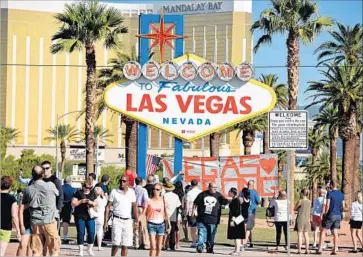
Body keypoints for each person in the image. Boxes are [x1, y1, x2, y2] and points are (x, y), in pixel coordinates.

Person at [22, 165, 61, 256]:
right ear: (43, 174)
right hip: (49, 220)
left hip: (35, 221)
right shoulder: (51, 185)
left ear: (32, 175)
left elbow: (25, 203)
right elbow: (57, 193)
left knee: (36, 250)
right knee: (54, 249)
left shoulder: (27, 190)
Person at [104, 175, 138, 256]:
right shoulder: (114, 192)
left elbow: (134, 206)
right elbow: (108, 206)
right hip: (117, 220)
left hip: (128, 221)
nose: (122, 183)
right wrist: (105, 222)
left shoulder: (131, 192)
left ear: (128, 182)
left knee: (125, 245)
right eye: (120, 181)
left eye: (124, 181)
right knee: (116, 243)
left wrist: (136, 220)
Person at [193, 182, 228, 254]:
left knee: (211, 234)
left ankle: (210, 247)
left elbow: (225, 202)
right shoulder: (202, 194)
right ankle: (200, 246)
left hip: (213, 219)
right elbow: (195, 203)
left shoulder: (218, 195)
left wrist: (232, 199)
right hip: (202, 217)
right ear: (209, 187)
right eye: (213, 187)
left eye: (216, 188)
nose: (215, 189)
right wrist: (194, 211)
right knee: (202, 232)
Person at [317, 180, 344, 255]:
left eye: (330, 185)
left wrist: (325, 213)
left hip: (331, 214)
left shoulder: (330, 193)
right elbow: (343, 206)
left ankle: (319, 249)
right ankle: (335, 249)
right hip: (338, 215)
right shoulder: (341, 194)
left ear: (332, 185)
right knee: (335, 232)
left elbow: (328, 205)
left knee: (323, 231)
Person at [144, 183, 171, 256]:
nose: (155, 191)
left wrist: (169, 225)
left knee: (159, 247)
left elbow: (166, 212)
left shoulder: (163, 200)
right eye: (154, 189)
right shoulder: (149, 200)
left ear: (161, 190)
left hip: (161, 224)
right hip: (151, 224)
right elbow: (144, 212)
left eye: (157, 189)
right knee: (153, 246)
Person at [72, 179, 97, 256]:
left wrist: (91, 203)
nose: (87, 189)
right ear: (83, 186)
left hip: (90, 216)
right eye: (86, 187)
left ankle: (89, 249)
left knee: (92, 232)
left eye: (89, 188)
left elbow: (97, 203)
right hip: (80, 215)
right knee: (81, 232)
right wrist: (81, 201)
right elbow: (73, 203)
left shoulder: (93, 193)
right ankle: (81, 250)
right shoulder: (78, 193)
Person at [0, 176, 21, 256]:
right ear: (10, 186)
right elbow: (14, 216)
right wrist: (18, 231)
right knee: (1, 253)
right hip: (5, 228)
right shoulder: (11, 199)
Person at [240, 180, 261, 248]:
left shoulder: (242, 192)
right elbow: (258, 202)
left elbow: (239, 200)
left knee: (246, 228)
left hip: (243, 212)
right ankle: (244, 242)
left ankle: (250, 241)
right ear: (253, 185)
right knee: (248, 228)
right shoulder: (254, 192)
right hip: (251, 212)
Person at [227, 188, 245, 256]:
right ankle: (235, 250)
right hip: (235, 219)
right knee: (235, 235)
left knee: (237, 235)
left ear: (232, 192)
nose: (228, 193)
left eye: (229, 191)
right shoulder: (234, 199)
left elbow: (237, 211)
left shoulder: (236, 200)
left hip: (237, 220)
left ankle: (237, 251)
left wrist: (233, 219)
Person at [163, 182, 181, 251]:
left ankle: (164, 244)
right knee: (172, 231)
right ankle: (172, 245)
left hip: (165, 214)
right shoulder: (175, 196)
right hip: (173, 214)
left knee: (165, 230)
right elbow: (178, 206)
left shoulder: (164, 195)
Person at [133, 176, 149, 250]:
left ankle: (136, 243)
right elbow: (146, 200)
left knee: (135, 225)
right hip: (141, 208)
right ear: (141, 182)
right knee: (143, 225)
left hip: (133, 207)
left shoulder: (133, 190)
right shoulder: (143, 190)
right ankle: (145, 243)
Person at [294, 188, 311, 254]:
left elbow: (294, 208)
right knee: (306, 235)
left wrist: (298, 208)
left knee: (299, 234)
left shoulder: (300, 201)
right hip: (307, 219)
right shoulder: (309, 201)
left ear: (302, 193)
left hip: (300, 219)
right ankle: (307, 250)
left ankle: (299, 250)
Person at [186, 179, 201, 248]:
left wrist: (187, 211)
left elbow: (187, 203)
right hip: (200, 211)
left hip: (191, 211)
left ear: (191, 185)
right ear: (197, 184)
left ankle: (194, 242)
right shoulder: (200, 192)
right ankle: (200, 241)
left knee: (193, 227)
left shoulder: (189, 193)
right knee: (200, 227)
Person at [61, 177, 76, 244]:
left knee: (56, 221)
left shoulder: (60, 188)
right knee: (66, 222)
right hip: (68, 207)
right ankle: (64, 237)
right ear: (70, 182)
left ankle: (56, 235)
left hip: (59, 206)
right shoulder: (73, 190)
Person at [93, 185, 107, 251]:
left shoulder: (94, 200)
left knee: (93, 231)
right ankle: (99, 246)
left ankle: (91, 245)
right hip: (101, 217)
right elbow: (106, 200)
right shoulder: (103, 200)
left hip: (94, 216)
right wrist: (103, 194)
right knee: (100, 231)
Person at [173, 181, 184, 249]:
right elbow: (182, 205)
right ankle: (178, 243)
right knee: (177, 228)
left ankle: (172, 242)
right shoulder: (182, 194)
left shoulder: (174, 194)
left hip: (173, 211)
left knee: (172, 227)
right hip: (179, 211)